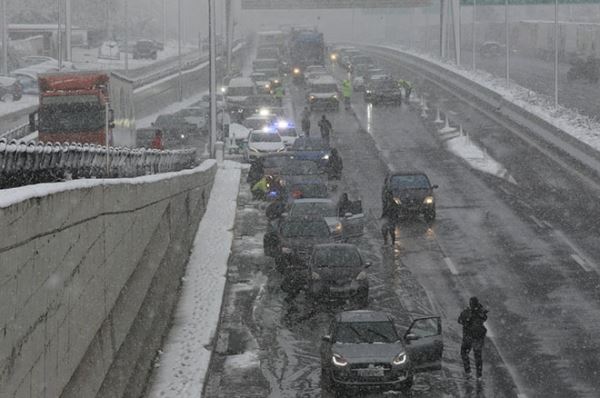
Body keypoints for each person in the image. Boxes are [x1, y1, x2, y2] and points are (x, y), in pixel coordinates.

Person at [458, 297, 488, 380]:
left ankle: (468, 372)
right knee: (478, 356)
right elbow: (485, 318)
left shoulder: (466, 312)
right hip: (478, 338)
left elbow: (459, 321)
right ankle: (479, 375)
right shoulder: (481, 312)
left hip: (468, 337)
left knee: (464, 353)